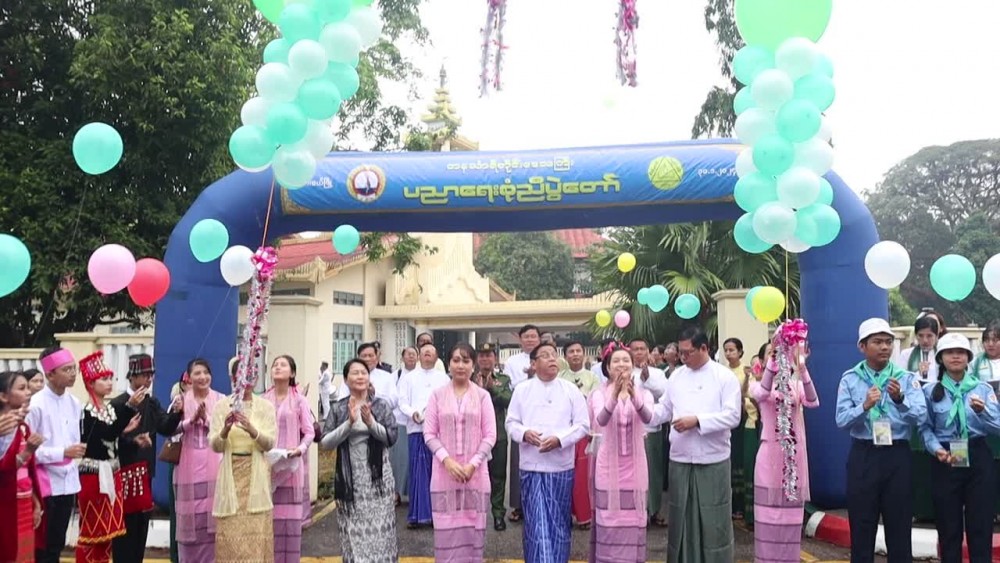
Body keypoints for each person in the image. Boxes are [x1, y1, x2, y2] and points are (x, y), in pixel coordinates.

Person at [835, 318, 927, 563]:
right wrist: (864, 406)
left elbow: (921, 416)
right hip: (864, 455)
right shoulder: (850, 378)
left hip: (897, 455)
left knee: (899, 525)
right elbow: (841, 420)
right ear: (862, 346)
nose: (885, 347)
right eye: (877, 342)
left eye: (888, 342)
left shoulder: (905, 378)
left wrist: (900, 400)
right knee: (862, 526)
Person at [651, 326, 741, 563]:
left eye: (687, 352)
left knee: (713, 520)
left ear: (704, 348)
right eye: (680, 352)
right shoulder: (676, 376)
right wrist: (641, 409)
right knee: (680, 518)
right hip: (680, 458)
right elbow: (664, 409)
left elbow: (733, 416)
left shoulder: (724, 376)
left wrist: (698, 421)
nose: (682, 357)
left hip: (712, 459)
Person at [506, 341, 590, 563]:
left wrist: (560, 440)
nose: (552, 358)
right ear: (533, 364)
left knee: (559, 523)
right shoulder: (522, 390)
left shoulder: (570, 390)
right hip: (531, 466)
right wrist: (525, 433)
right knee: (536, 523)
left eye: (554, 354)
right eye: (545, 355)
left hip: (561, 467)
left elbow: (583, 425)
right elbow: (511, 423)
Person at [920, 333, 1000, 563]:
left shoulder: (983, 389)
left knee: (980, 523)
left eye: (961, 353)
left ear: (968, 358)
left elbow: (998, 427)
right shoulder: (930, 391)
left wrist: (983, 412)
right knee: (948, 526)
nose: (956, 356)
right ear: (940, 358)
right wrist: (936, 449)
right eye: (950, 352)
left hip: (977, 456)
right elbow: (925, 428)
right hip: (945, 458)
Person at [749, 332, 819, 562]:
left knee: (790, 518)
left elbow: (813, 401)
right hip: (769, 456)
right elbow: (762, 393)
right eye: (772, 355)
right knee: (768, 516)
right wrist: (773, 357)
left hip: (793, 458)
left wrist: (802, 368)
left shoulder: (796, 386)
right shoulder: (757, 385)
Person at [320, 359, 399, 562]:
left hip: (379, 479)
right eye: (355, 373)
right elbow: (326, 442)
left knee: (382, 535)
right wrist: (349, 423)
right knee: (354, 533)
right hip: (351, 480)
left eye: (363, 372)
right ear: (346, 379)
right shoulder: (339, 408)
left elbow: (391, 438)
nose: (360, 376)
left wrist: (371, 422)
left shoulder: (379, 405)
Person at [424, 343, 497, 561]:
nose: (461, 365)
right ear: (448, 364)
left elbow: (490, 435)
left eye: (466, 361)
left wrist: (473, 463)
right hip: (444, 474)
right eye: (456, 360)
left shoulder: (483, 396)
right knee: (446, 530)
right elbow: (429, 434)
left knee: (473, 531)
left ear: (473, 365)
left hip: (476, 474)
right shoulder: (436, 396)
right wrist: (447, 461)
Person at [111, 354, 183, 563]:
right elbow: (111, 438)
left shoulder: (151, 403)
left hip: (144, 475)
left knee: (141, 529)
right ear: (132, 377)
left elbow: (165, 427)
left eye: (151, 375)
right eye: (144, 375)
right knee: (123, 531)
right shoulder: (118, 404)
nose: (148, 379)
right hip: (122, 474)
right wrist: (132, 439)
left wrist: (176, 413)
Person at [75, 351, 144, 563]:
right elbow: (103, 435)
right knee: (92, 531)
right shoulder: (86, 412)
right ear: (90, 383)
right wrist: (129, 408)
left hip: (112, 473)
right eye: (104, 379)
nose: (109, 383)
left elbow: (110, 436)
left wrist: (125, 432)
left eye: (110, 378)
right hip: (94, 476)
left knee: (108, 531)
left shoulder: (109, 410)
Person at [588, 344, 654, 562]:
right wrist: (615, 394)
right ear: (607, 367)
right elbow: (601, 419)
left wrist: (634, 396)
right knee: (609, 519)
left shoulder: (644, 393)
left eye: (626, 360)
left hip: (635, 466)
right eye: (615, 361)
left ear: (633, 365)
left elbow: (648, 417)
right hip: (608, 466)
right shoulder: (598, 394)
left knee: (633, 519)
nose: (621, 364)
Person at [209, 359, 278, 563]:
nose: (246, 380)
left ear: (256, 378)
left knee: (256, 530)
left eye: (251, 375)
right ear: (233, 378)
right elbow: (215, 445)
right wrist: (225, 430)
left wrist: (252, 429)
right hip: (230, 473)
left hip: (256, 475)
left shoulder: (265, 406)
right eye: (241, 375)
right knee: (229, 531)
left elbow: (269, 443)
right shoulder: (222, 406)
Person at [27, 347, 84, 563]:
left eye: (74, 368)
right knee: (42, 546)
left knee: (58, 543)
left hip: (68, 483)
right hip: (45, 484)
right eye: (66, 369)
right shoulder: (35, 405)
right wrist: (63, 452)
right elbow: (29, 451)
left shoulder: (75, 403)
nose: (73, 373)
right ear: (50, 374)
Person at [262, 356, 314, 563]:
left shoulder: (300, 400)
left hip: (291, 466)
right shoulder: (263, 400)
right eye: (275, 365)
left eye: (283, 365)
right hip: (268, 465)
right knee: (270, 522)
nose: (277, 367)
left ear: (292, 373)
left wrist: (300, 449)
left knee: (290, 525)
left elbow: (309, 432)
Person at [174, 359, 225, 562]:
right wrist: (191, 421)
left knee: (212, 513)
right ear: (189, 377)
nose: (202, 377)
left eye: (205, 372)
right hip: (188, 463)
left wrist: (206, 419)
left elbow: (225, 431)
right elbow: (170, 429)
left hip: (215, 461)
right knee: (191, 515)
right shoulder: (180, 401)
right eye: (197, 373)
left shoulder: (221, 400)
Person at [398, 342, 450, 528]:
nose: (427, 354)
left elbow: (448, 401)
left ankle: (439, 515)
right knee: (418, 472)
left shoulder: (444, 378)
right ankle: (417, 515)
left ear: (436, 358)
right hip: (416, 429)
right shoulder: (408, 378)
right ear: (419, 356)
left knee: (439, 473)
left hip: (438, 433)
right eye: (424, 352)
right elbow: (402, 402)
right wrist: (413, 413)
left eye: (431, 352)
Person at [0, 371, 43, 563]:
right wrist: (28, 452)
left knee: (24, 554)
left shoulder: (23, 427)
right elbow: (4, 470)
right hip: (6, 501)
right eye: (22, 388)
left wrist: (35, 502)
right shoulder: (5, 429)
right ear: (4, 396)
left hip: (24, 500)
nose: (28, 392)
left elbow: (28, 470)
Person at [558, 340, 600, 529]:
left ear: (584, 354)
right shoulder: (560, 377)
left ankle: (584, 516)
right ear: (565, 356)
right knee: (564, 474)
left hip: (584, 431)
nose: (575, 354)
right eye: (571, 351)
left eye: (578, 351)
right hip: (564, 431)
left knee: (583, 475)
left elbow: (596, 405)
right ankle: (564, 514)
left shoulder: (593, 377)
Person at [502, 324, 541, 523]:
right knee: (519, 462)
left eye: (534, 336)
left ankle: (539, 503)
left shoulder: (546, 356)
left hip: (543, 415)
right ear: (520, 339)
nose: (530, 340)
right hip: (522, 417)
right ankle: (518, 505)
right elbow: (510, 388)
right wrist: (529, 378)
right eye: (527, 336)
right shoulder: (512, 362)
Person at [628, 338, 669, 528]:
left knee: (653, 471)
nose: (639, 352)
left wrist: (647, 380)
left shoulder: (658, 373)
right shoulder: (624, 370)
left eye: (642, 349)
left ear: (648, 351)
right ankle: (637, 510)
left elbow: (664, 396)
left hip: (651, 428)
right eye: (635, 349)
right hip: (629, 428)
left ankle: (655, 509)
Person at [471, 342, 513, 531]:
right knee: (473, 475)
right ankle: (474, 514)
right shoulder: (469, 378)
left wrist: (492, 389)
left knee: (498, 476)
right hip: (474, 435)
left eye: (488, 355)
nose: (485, 359)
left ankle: (497, 514)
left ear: (495, 358)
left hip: (498, 435)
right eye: (481, 355)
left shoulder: (503, 379)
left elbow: (509, 401)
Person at [722, 337, 759, 524]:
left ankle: (743, 507)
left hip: (744, 420)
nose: (729, 353)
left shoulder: (747, 371)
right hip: (727, 423)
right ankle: (732, 505)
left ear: (740, 352)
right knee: (732, 462)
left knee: (742, 463)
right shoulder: (722, 372)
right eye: (726, 350)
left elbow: (749, 394)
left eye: (732, 350)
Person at [391, 346, 419, 505]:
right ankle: (396, 493)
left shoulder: (421, 376)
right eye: (408, 354)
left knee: (414, 459)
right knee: (398, 459)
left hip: (418, 424)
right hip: (400, 422)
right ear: (402, 358)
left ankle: (414, 493)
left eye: (414, 354)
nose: (411, 357)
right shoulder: (396, 375)